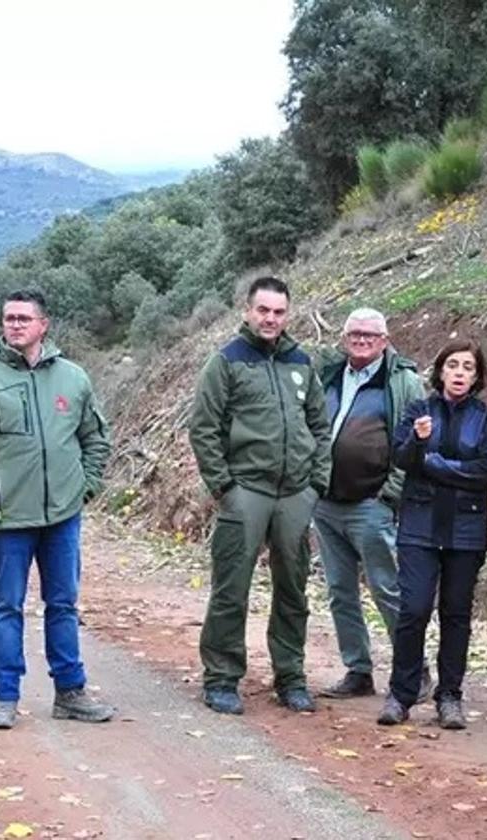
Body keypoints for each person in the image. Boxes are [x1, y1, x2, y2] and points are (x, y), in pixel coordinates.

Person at [0, 288, 115, 730]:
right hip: (6, 518)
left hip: (62, 516)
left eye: (23, 318)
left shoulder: (73, 378)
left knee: (63, 603)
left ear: (44, 325)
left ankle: (71, 692)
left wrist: (85, 488)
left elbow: (95, 439)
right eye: (8, 318)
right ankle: (5, 696)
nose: (15, 325)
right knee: (6, 606)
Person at [189, 276, 332, 716]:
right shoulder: (227, 362)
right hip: (245, 490)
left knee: (293, 589)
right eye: (263, 310)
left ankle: (290, 676)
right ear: (248, 311)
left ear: (288, 315)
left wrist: (316, 484)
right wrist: (224, 488)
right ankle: (221, 678)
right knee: (232, 588)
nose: (271, 319)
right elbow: (204, 428)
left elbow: (320, 427)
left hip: (295, 493)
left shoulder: (301, 362)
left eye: (279, 312)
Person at [377, 338, 487, 729]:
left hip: (466, 531)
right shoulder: (419, 411)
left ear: (477, 375)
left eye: (468, 367)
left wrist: (433, 464)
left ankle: (450, 696)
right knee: (413, 610)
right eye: (453, 366)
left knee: (456, 614)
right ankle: (401, 694)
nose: (460, 373)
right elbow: (399, 459)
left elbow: (484, 470)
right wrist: (417, 443)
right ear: (440, 371)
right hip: (419, 525)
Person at [314, 307, 431, 701]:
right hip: (327, 503)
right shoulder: (331, 374)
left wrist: (390, 494)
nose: (361, 340)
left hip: (372, 504)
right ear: (344, 338)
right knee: (339, 590)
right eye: (354, 333)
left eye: (369, 334)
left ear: (385, 340)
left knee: (388, 588)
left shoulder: (403, 382)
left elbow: (416, 441)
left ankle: (413, 669)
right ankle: (358, 670)